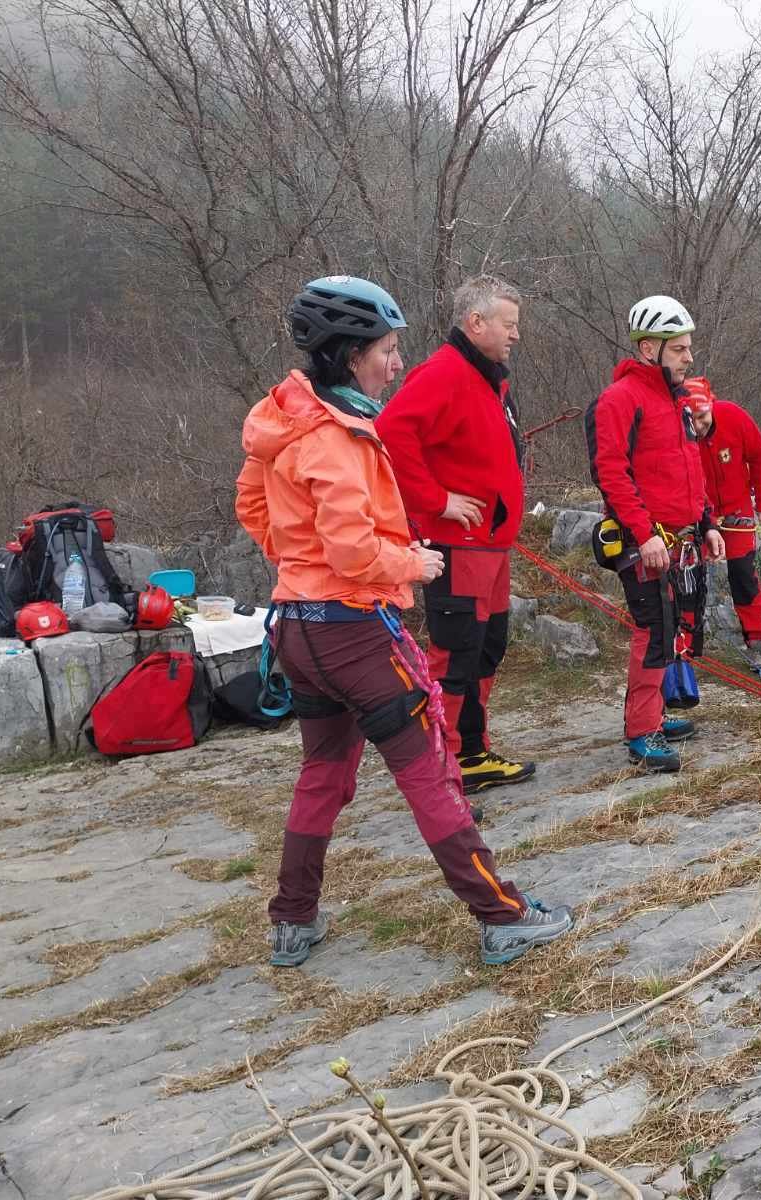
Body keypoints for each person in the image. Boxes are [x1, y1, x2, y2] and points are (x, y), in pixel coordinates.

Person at [236, 275, 573, 969]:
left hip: (298, 629)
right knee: (430, 773)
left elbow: (254, 509)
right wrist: (409, 564)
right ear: (349, 354)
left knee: (322, 772)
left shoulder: (283, 423)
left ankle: (292, 920)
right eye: (387, 350)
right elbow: (354, 549)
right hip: (356, 632)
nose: (396, 363)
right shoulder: (339, 438)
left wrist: (301, 567)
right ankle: (501, 914)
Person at [375, 276, 534, 795]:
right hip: (459, 546)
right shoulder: (445, 371)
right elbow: (393, 431)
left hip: (491, 546)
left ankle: (472, 753)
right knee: (455, 656)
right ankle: (442, 775)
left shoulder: (487, 378)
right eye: (508, 325)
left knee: (487, 649)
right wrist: (438, 501)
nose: (515, 335)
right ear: (477, 323)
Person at [586, 295, 725, 773]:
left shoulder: (679, 401)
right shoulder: (620, 399)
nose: (689, 357)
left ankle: (654, 716)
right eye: (679, 349)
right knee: (652, 632)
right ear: (649, 348)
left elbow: (690, 470)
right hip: (641, 541)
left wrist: (706, 523)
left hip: (679, 537)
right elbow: (611, 472)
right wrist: (643, 535)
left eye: (688, 348)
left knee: (671, 631)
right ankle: (641, 732)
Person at [682, 376, 761, 673]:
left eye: (703, 417)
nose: (699, 426)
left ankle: (756, 639)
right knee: (689, 579)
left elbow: (759, 456)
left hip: (736, 510)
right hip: (697, 511)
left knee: (743, 574)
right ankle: (685, 647)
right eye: (692, 420)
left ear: (711, 407)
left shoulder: (734, 416)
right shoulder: (678, 432)